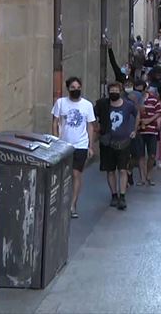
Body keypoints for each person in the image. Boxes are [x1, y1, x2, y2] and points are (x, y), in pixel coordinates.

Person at [51, 77, 96, 218]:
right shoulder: (61, 103)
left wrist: (90, 145)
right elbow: (55, 122)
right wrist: (55, 140)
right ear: (68, 89)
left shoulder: (87, 105)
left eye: (78, 87)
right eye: (72, 87)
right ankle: (61, 202)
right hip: (64, 145)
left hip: (81, 145)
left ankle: (72, 204)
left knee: (76, 174)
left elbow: (90, 126)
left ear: (81, 88)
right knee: (64, 175)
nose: (75, 90)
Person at [94, 82, 140, 211]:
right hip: (107, 142)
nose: (114, 92)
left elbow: (137, 115)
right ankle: (114, 194)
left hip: (124, 142)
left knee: (123, 170)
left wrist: (134, 130)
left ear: (120, 91)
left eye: (116, 90)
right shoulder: (103, 105)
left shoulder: (128, 105)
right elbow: (92, 116)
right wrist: (97, 129)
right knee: (110, 170)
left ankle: (122, 196)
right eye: (111, 90)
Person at [138, 83, 161, 185]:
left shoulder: (153, 99)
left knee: (152, 155)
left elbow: (159, 112)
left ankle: (149, 174)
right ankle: (142, 178)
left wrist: (149, 121)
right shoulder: (136, 100)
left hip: (152, 131)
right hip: (139, 131)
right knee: (141, 155)